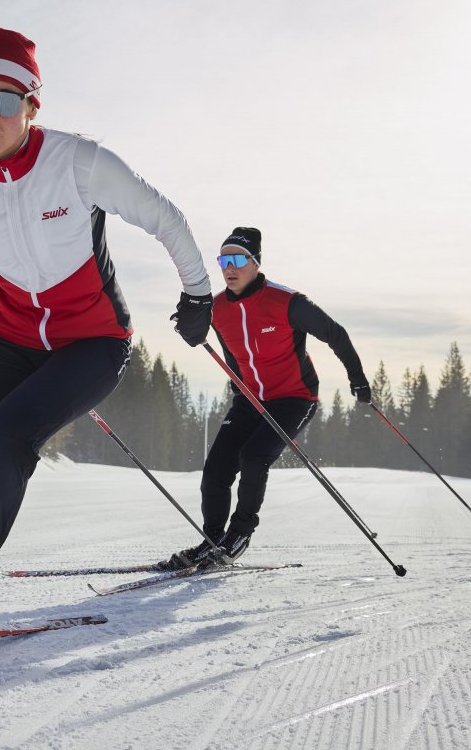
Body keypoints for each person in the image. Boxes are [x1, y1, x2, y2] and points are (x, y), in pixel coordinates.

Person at [0, 27, 213, 636]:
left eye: (5, 99)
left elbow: (165, 218)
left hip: (93, 340)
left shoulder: (79, 162)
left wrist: (199, 293)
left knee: (8, 432)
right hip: (13, 336)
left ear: (32, 106)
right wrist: (14, 335)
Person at [156, 227, 371, 570]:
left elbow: (335, 333)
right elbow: (212, 339)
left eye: (239, 259)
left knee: (254, 458)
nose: (230, 267)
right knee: (215, 470)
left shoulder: (287, 301)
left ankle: (239, 534)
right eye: (224, 259)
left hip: (294, 397)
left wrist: (357, 378)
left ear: (256, 264)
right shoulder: (218, 307)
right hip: (249, 400)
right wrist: (188, 324)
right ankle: (212, 541)